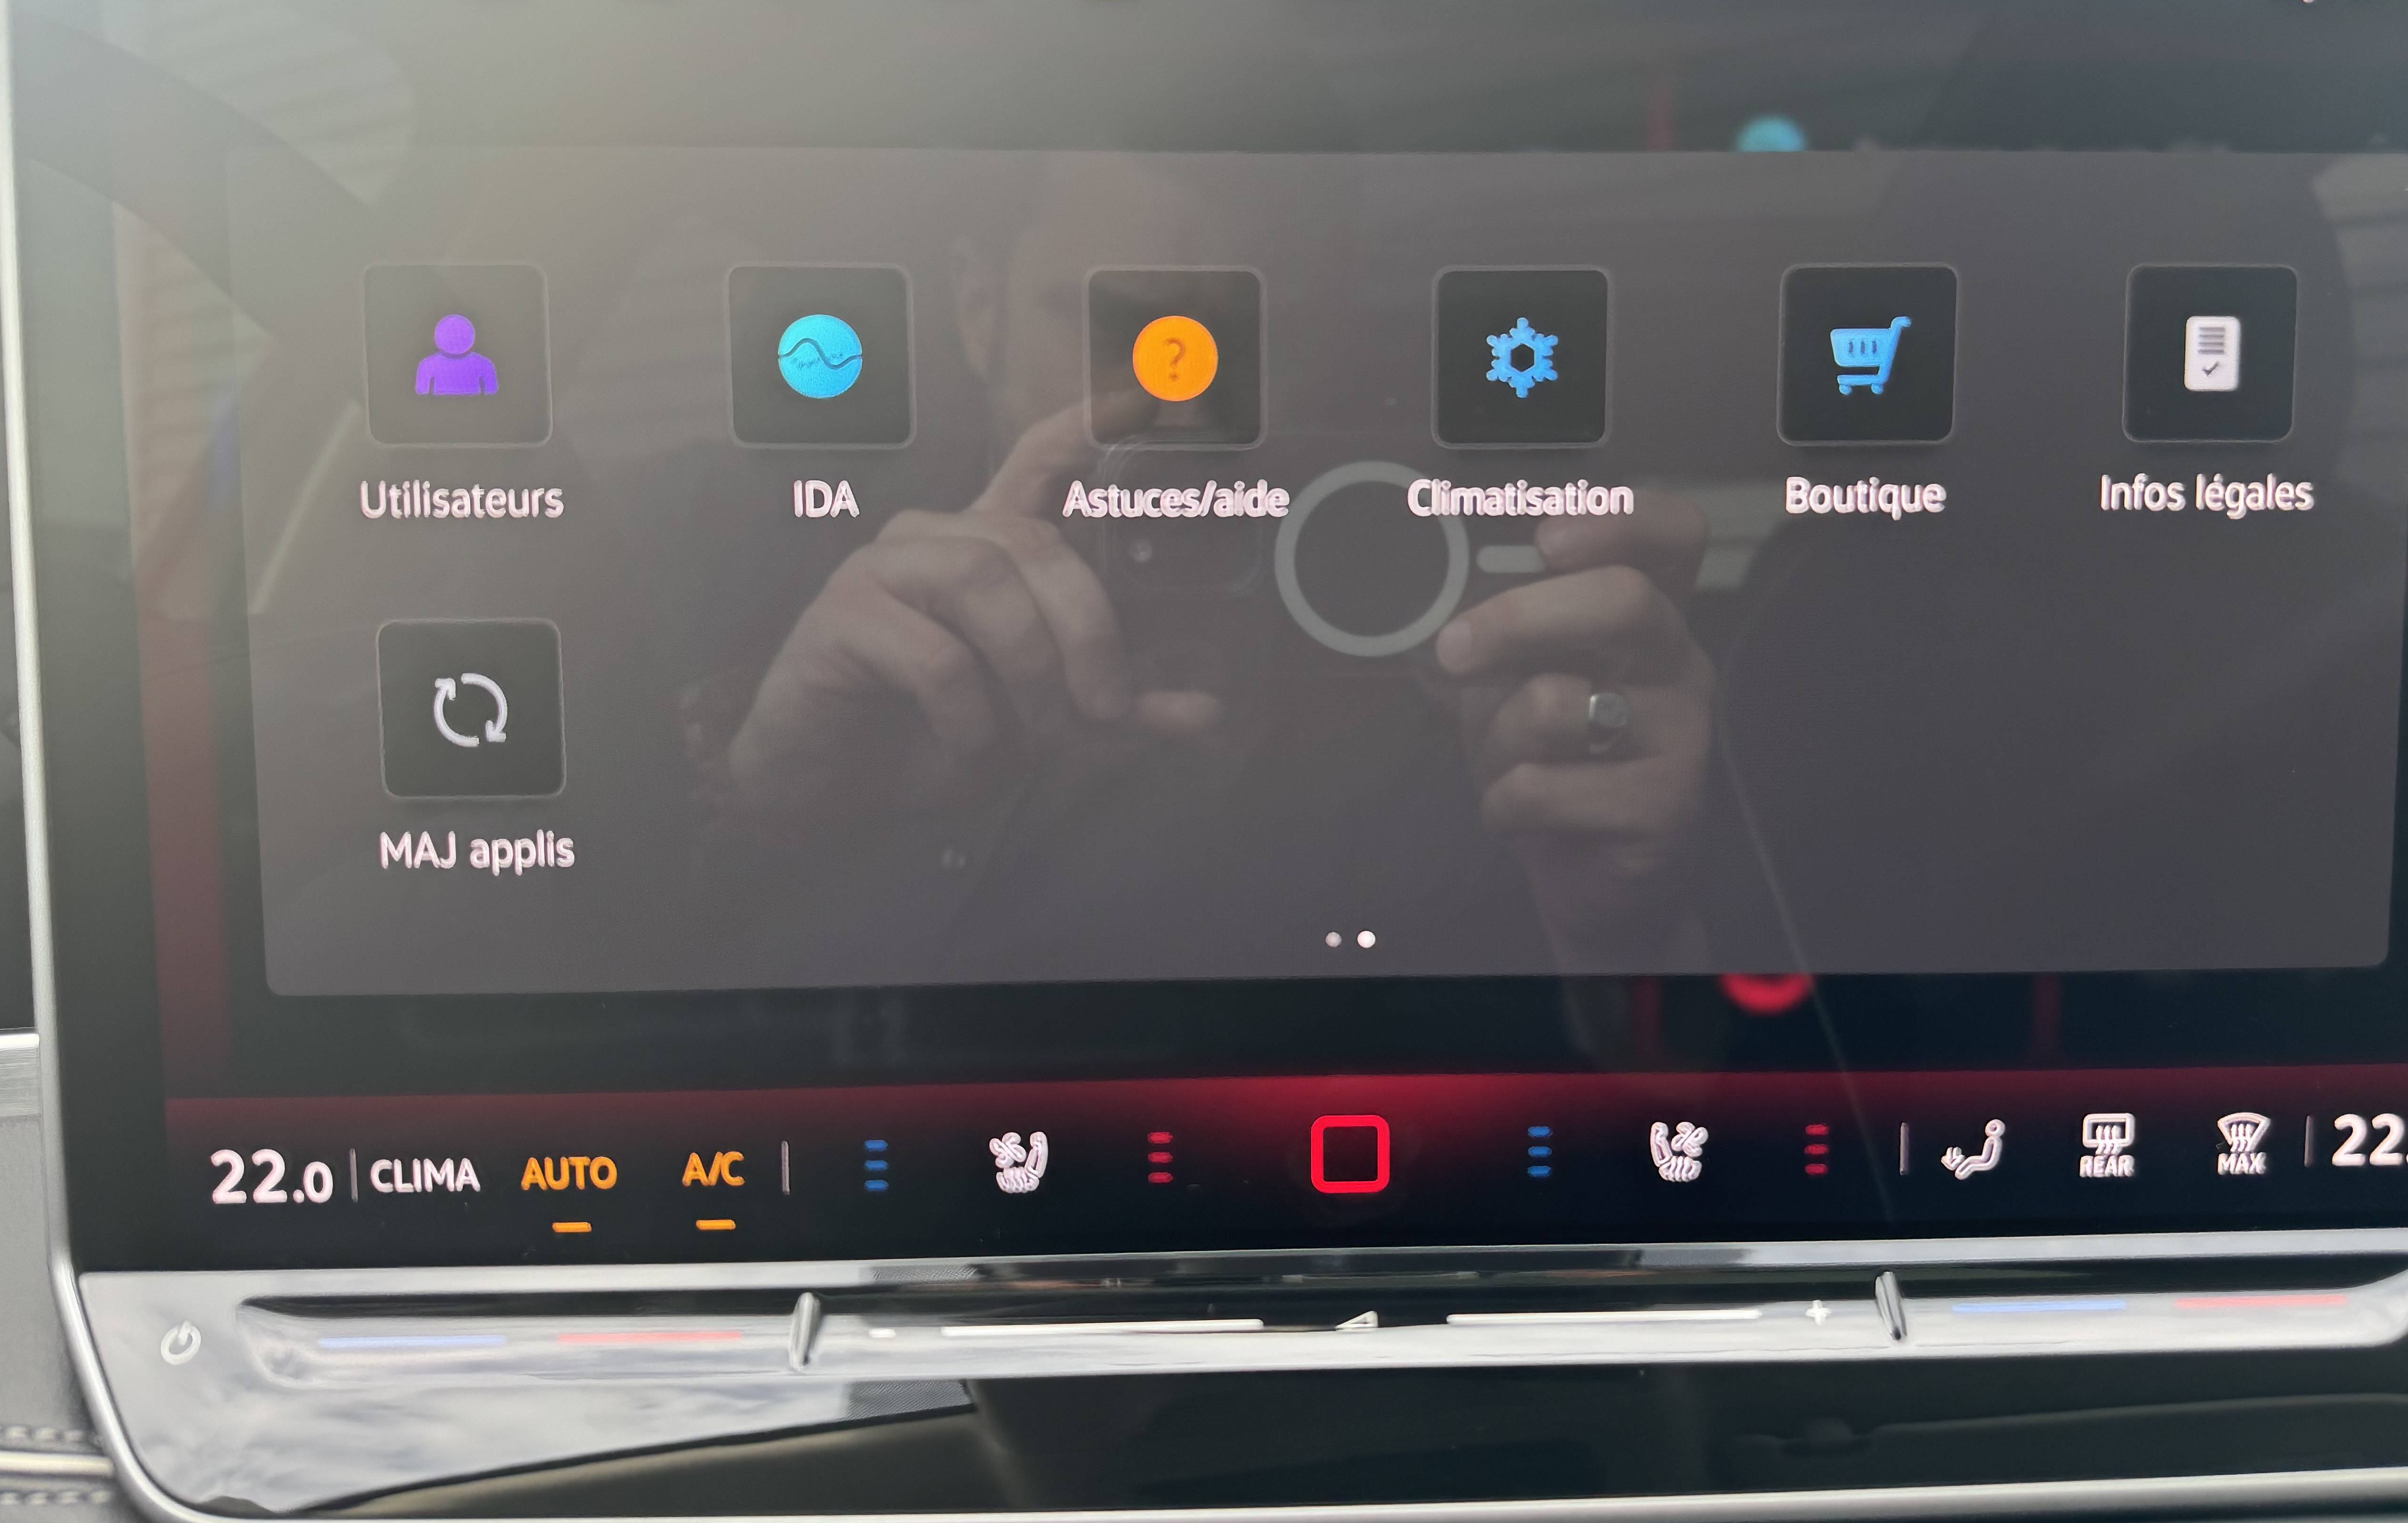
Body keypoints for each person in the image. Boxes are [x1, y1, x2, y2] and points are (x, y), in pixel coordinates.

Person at [707, 158, 1717, 979]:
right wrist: (769, 804)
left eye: (1263, 337)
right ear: (978, 306)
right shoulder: (769, 607)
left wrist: (1616, 946)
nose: (1188, 408)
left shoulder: (1461, 740)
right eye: (1127, 330)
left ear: (1330, 346)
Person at [415, 313, 499, 397]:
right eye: (450, 334)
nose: (455, 338)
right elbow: (492, 390)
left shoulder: (428, 365)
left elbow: (422, 392)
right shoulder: (484, 364)